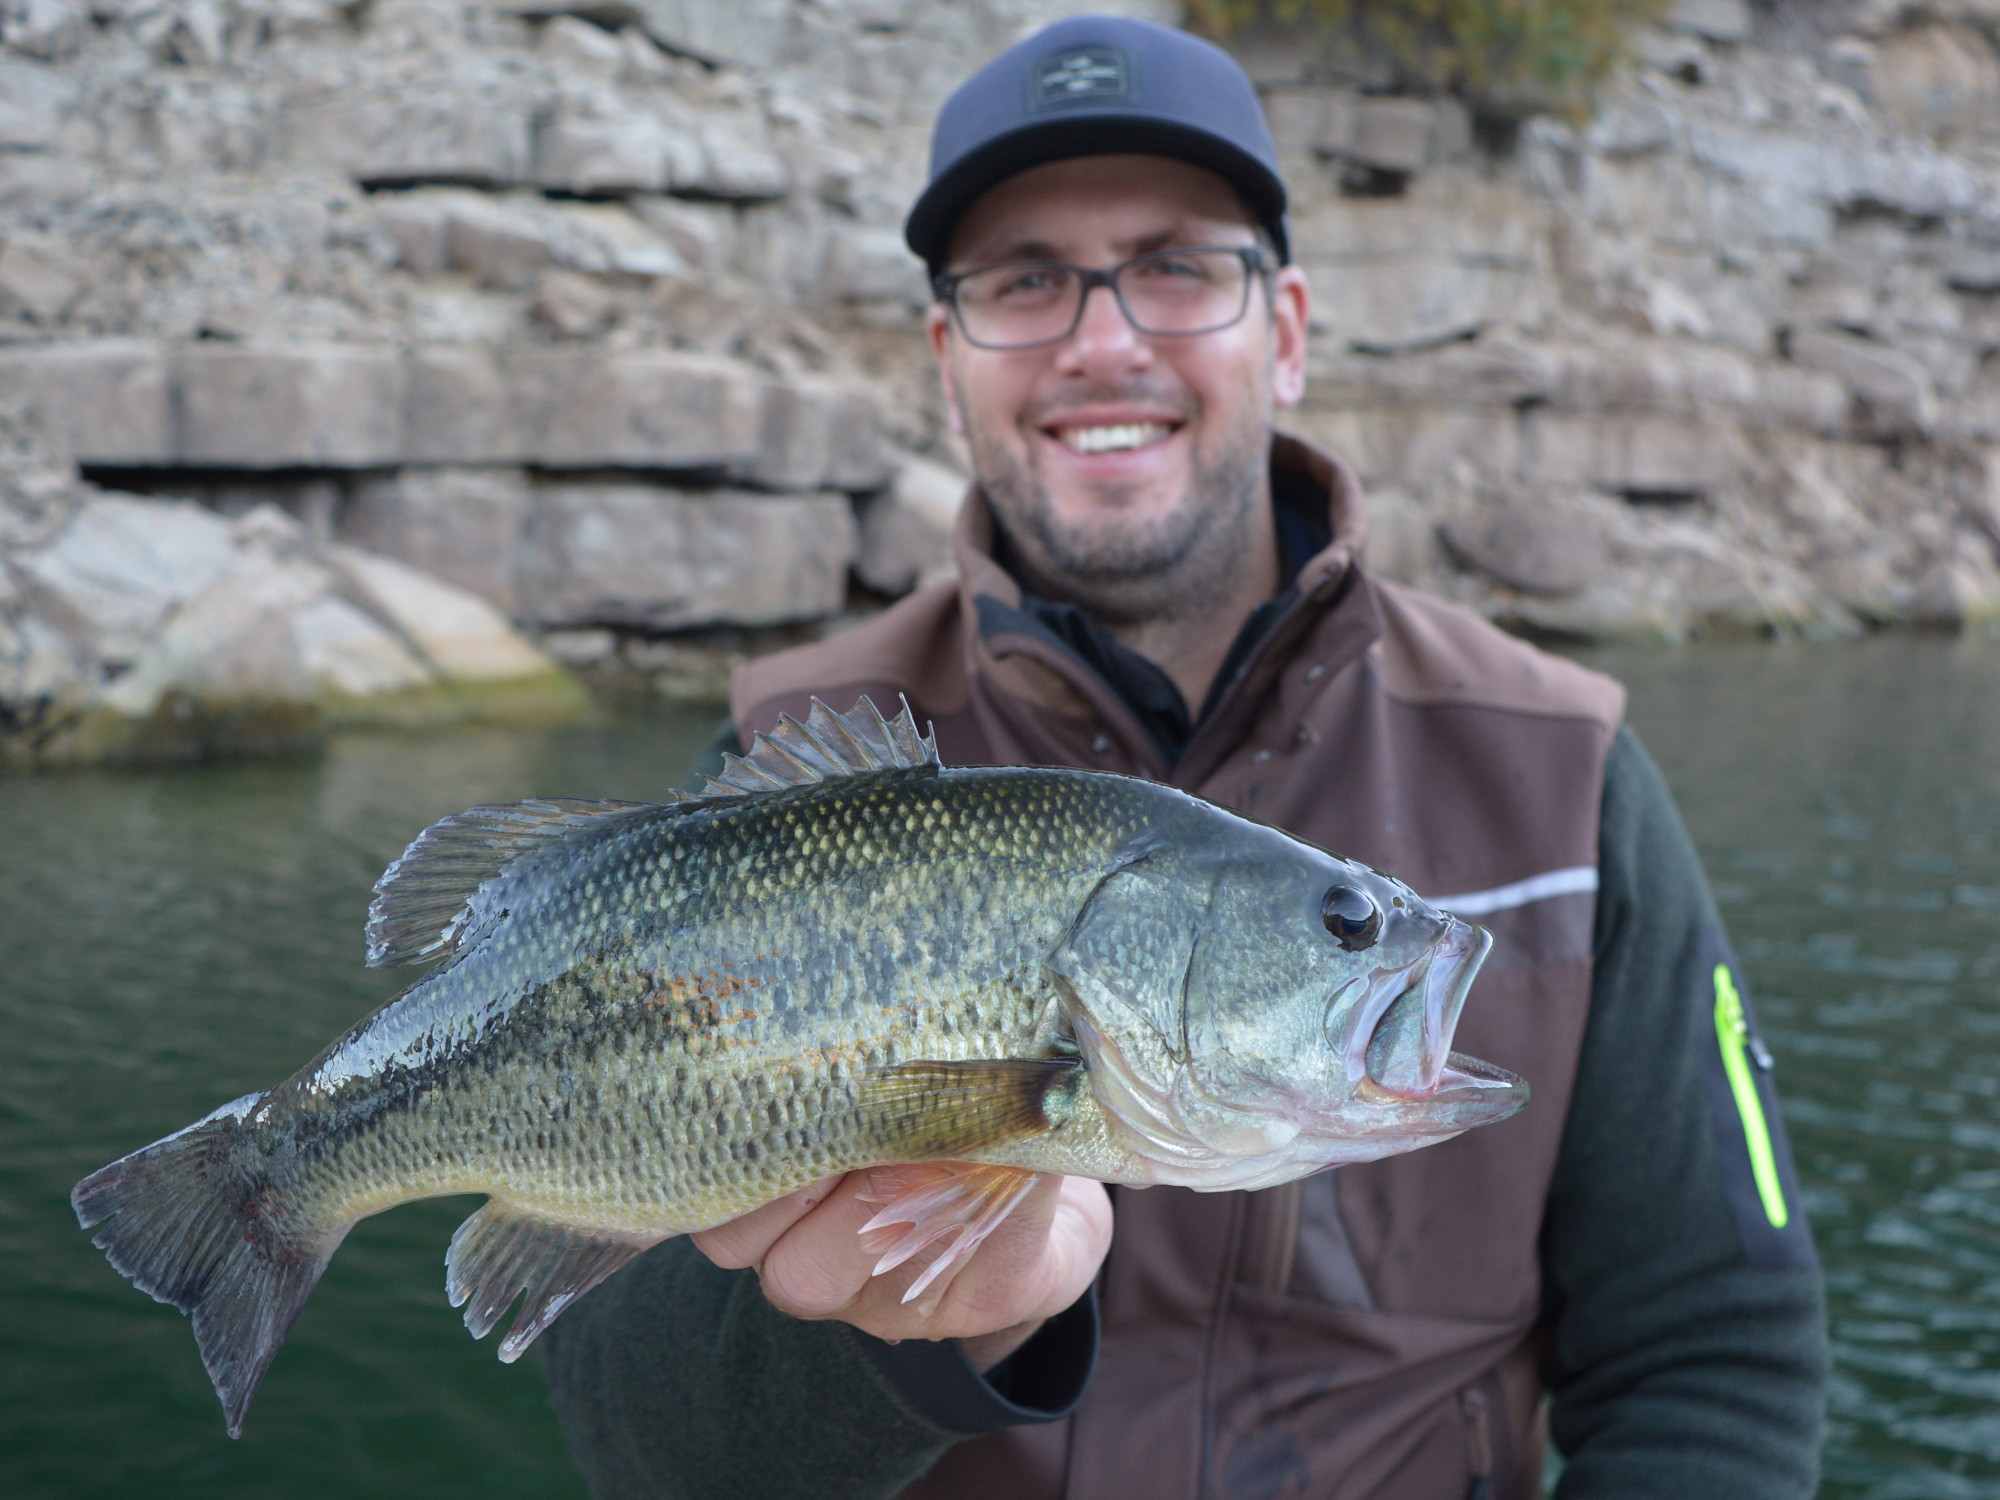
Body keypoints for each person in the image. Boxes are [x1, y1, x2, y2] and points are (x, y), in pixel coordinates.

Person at [540, 16, 1828, 1498]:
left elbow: (1718, 1359)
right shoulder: (783, 775)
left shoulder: (1569, 786)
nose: (1104, 338)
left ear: (1282, 328)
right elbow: (650, 1458)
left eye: (1174, 266)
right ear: (946, 358)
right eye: (1027, 281)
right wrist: (919, 1333)